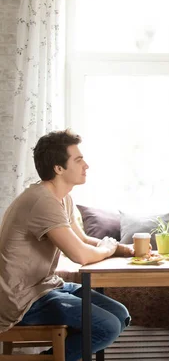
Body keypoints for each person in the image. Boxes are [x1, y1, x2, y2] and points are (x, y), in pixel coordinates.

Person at [0, 129, 132, 361]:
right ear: (58, 168)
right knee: (108, 326)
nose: (86, 166)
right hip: (22, 299)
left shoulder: (63, 198)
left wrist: (124, 249)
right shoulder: (42, 201)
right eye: (78, 160)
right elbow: (80, 254)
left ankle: (53, 356)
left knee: (120, 315)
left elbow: (81, 240)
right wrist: (108, 249)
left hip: (46, 286)